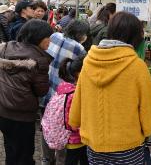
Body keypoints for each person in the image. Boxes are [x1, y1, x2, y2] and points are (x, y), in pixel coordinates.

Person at [69, 11, 151, 164]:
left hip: (94, 145)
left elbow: (79, 101)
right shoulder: (137, 66)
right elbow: (148, 110)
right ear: (135, 36)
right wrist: (150, 142)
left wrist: (76, 121)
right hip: (128, 147)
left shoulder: (88, 62)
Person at [0, 20, 53, 164]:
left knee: (10, 148)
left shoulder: (7, 47)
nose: (50, 41)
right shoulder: (39, 60)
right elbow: (42, 91)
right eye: (49, 37)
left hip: (3, 111)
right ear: (38, 37)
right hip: (22, 116)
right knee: (24, 154)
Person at [41, 20, 89, 165]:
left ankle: (46, 158)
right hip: (64, 93)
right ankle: (61, 159)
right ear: (81, 35)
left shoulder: (55, 36)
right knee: (63, 128)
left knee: (47, 124)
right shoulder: (79, 48)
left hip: (47, 89)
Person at [56, 56, 88, 165]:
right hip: (78, 137)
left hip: (68, 136)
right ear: (80, 73)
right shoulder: (77, 93)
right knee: (79, 160)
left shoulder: (64, 87)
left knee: (72, 159)